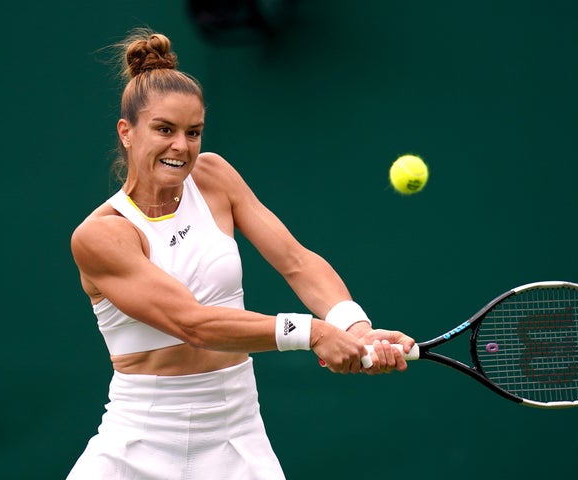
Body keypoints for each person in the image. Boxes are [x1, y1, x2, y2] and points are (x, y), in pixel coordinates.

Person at [66, 28, 415, 480]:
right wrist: (312, 332)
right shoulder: (101, 235)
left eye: (193, 132)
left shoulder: (213, 176)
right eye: (164, 130)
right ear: (127, 132)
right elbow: (190, 323)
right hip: (138, 440)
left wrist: (355, 327)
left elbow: (296, 260)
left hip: (236, 435)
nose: (182, 146)